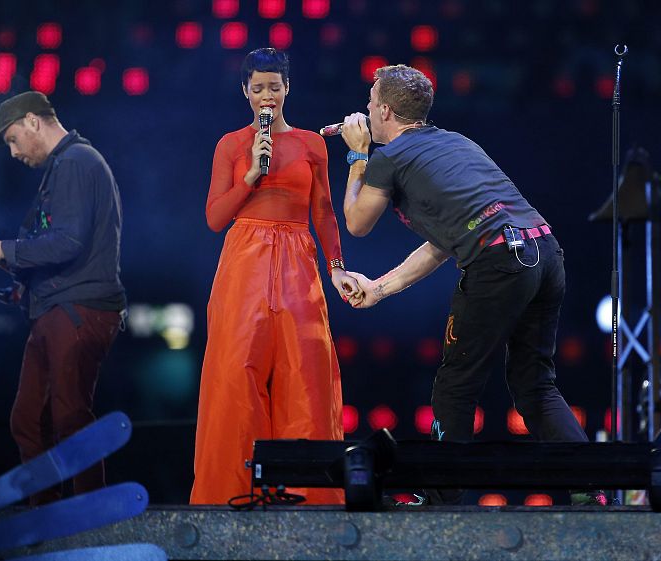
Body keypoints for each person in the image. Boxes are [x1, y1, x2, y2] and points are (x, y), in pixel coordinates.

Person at [339, 64, 604, 505]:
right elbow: (443, 243)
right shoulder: (454, 142)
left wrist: (357, 155)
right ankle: (592, 491)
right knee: (534, 383)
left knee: (455, 384)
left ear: (384, 110)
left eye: (370, 103)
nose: (365, 110)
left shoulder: (388, 157)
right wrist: (381, 288)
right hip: (545, 252)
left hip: (499, 260)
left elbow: (356, 222)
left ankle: (442, 505)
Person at [190, 48, 360, 505]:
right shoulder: (230, 144)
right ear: (245, 91)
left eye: (275, 86)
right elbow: (213, 218)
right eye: (259, 87)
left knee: (306, 375)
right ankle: (229, 496)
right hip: (244, 262)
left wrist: (336, 266)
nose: (268, 95)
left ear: (288, 88)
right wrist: (249, 176)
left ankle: (313, 499)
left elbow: (323, 210)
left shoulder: (311, 143)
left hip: (298, 261)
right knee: (235, 375)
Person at [0, 91, 126, 505]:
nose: (13, 152)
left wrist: (4, 249)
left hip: (77, 309)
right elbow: (61, 244)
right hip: (60, 306)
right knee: (29, 420)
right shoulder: (66, 165)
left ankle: (89, 515)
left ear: (34, 121)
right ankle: (50, 514)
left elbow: (68, 242)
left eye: (14, 139)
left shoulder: (75, 162)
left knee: (68, 415)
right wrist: (22, 284)